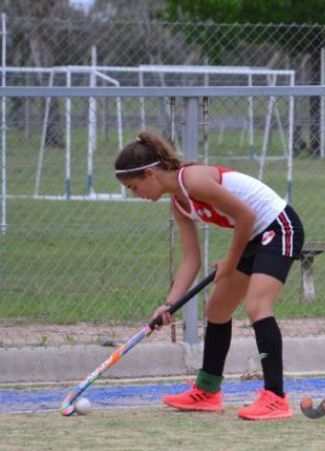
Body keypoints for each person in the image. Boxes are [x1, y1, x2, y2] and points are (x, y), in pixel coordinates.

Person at [114, 131, 305, 420]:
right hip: (253, 235)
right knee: (216, 309)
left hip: (279, 227)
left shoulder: (193, 180)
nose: (135, 194)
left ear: (150, 174)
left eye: (134, 186)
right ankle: (207, 391)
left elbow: (246, 216)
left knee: (257, 307)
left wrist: (230, 260)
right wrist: (169, 304)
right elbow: (192, 260)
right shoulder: (179, 204)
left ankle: (275, 398)